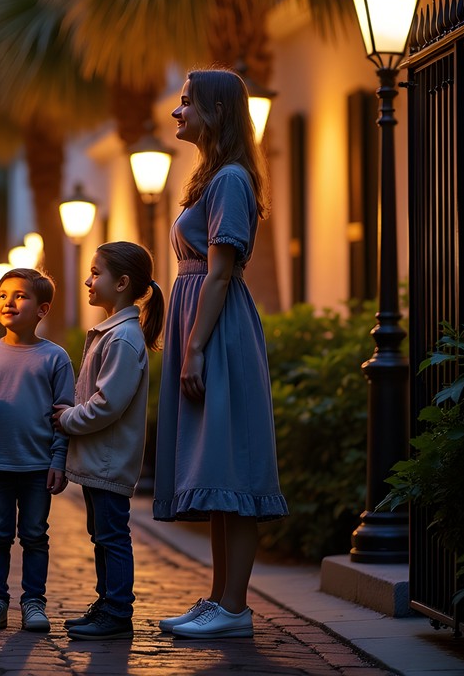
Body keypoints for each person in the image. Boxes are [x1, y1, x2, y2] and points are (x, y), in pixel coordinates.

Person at [153, 68, 289, 639]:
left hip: (218, 328)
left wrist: (195, 348)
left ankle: (235, 607)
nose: (176, 113)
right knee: (213, 470)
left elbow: (220, 272)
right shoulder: (212, 177)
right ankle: (218, 600)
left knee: (232, 466)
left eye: (186, 104)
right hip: (202, 322)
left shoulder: (230, 179)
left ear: (214, 109)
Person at [52, 241, 165, 641]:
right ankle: (106, 602)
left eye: (95, 273)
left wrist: (67, 419)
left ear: (121, 283)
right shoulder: (112, 334)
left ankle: (117, 610)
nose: (87, 280)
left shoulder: (121, 339)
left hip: (108, 460)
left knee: (112, 535)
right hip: (99, 459)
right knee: (102, 535)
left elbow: (106, 404)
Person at [0, 268, 75, 634]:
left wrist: (59, 460)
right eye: (3, 295)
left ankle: (34, 603)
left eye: (20, 295)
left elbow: (64, 416)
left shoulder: (55, 358)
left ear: (42, 309)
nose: (9, 302)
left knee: (36, 535)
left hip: (38, 466)